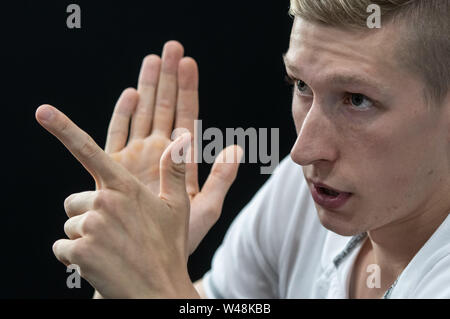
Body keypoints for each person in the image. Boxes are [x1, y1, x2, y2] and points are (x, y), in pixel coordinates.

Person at [35, 0, 450, 298]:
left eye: (357, 99)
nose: (304, 151)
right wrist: (136, 262)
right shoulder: (304, 191)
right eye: (301, 86)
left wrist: (156, 288)